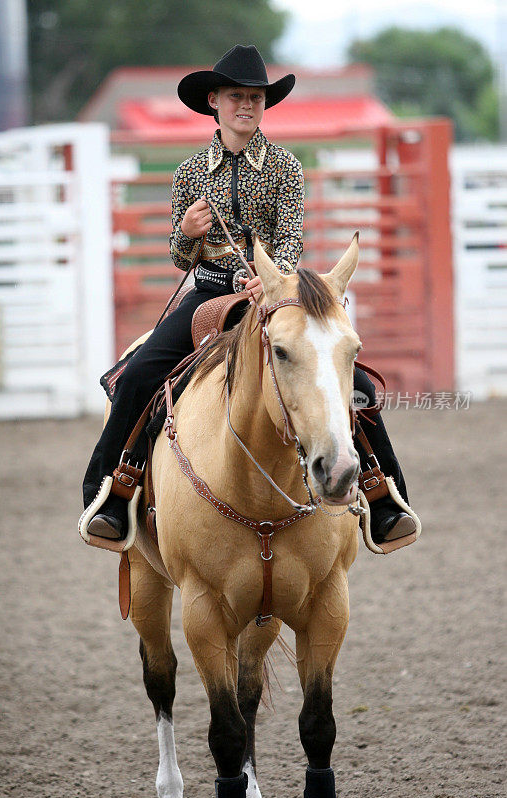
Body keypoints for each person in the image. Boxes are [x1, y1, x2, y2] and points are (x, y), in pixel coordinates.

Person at [82, 44, 416, 546]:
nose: (247, 105)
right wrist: (189, 233)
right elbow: (180, 257)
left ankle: (382, 495)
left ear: (264, 105)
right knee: (140, 374)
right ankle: (113, 490)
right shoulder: (190, 173)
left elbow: (290, 237)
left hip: (275, 295)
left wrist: (274, 277)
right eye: (236, 96)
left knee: (356, 381)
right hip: (208, 296)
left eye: (256, 97)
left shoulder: (284, 167)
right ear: (214, 101)